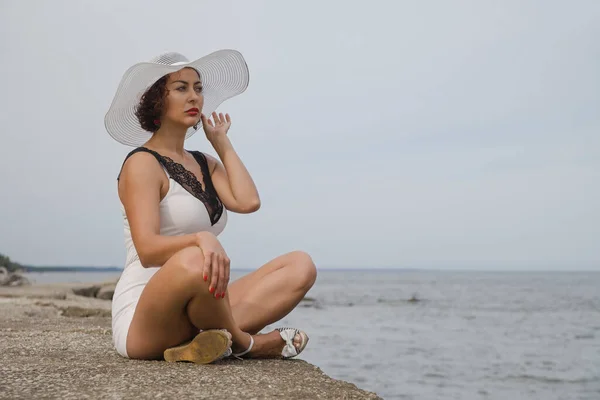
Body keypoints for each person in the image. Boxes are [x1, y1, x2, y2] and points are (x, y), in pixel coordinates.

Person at [104, 50, 317, 364]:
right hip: (145, 316)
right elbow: (147, 249)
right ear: (156, 100)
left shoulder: (204, 163)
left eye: (198, 88)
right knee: (194, 258)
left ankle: (203, 343)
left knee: (300, 265)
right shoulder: (142, 164)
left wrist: (221, 142)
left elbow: (248, 202)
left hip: (202, 304)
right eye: (181, 88)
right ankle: (247, 344)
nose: (195, 97)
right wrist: (200, 239)